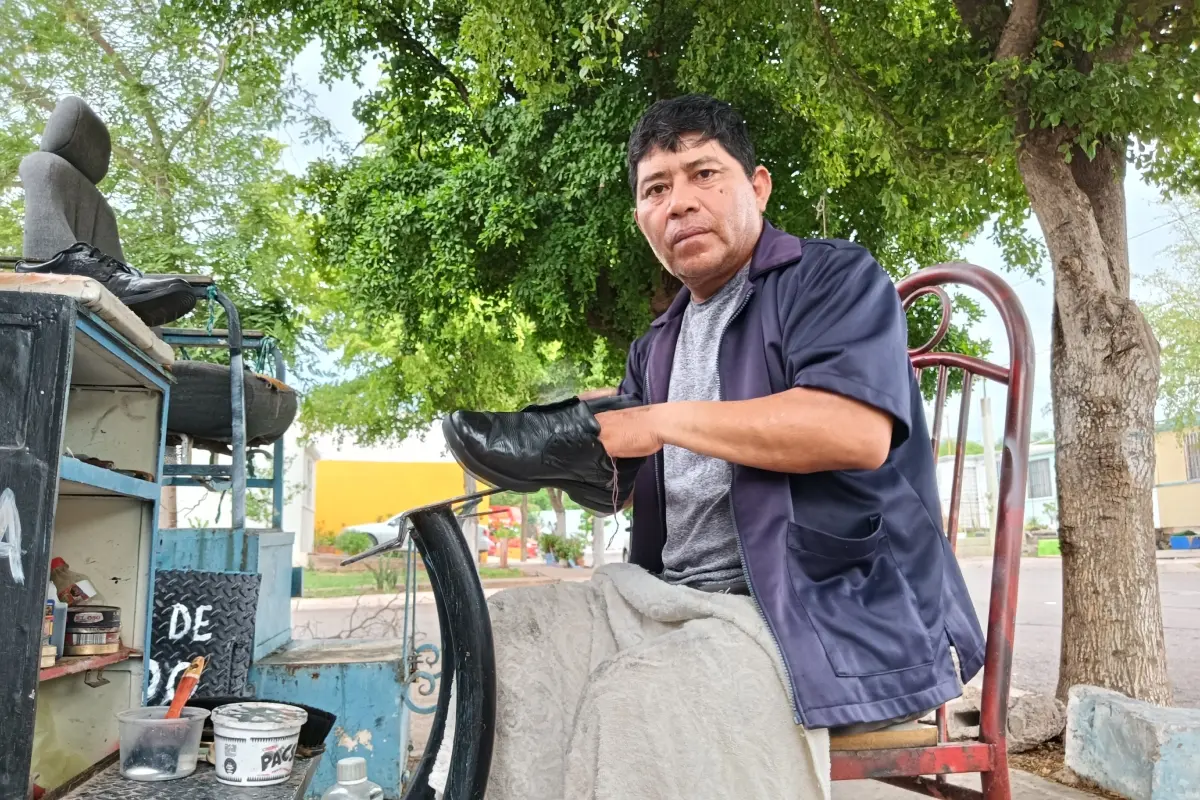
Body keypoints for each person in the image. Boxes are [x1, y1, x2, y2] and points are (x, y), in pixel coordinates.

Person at [433, 94, 982, 800]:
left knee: (638, 702)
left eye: (704, 175)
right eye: (656, 189)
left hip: (825, 615)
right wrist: (562, 448)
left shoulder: (833, 278)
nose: (680, 202)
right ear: (640, 218)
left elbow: (854, 431)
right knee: (505, 639)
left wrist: (657, 422)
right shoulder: (655, 345)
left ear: (757, 186)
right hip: (675, 601)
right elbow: (630, 483)